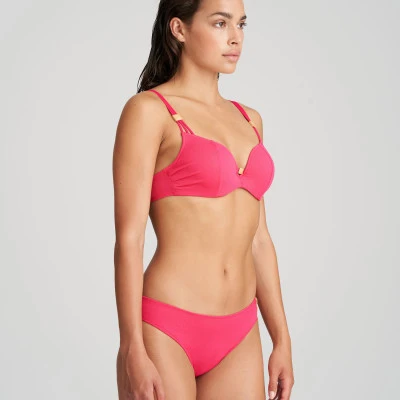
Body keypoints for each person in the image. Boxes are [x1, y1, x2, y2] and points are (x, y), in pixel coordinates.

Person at [112, 0, 294, 399]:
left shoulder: (249, 120)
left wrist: (281, 338)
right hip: (167, 327)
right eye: (219, 23)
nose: (235, 38)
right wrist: (132, 348)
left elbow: (259, 240)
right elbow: (129, 239)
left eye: (241, 24)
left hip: (240, 331)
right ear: (179, 29)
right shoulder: (149, 111)